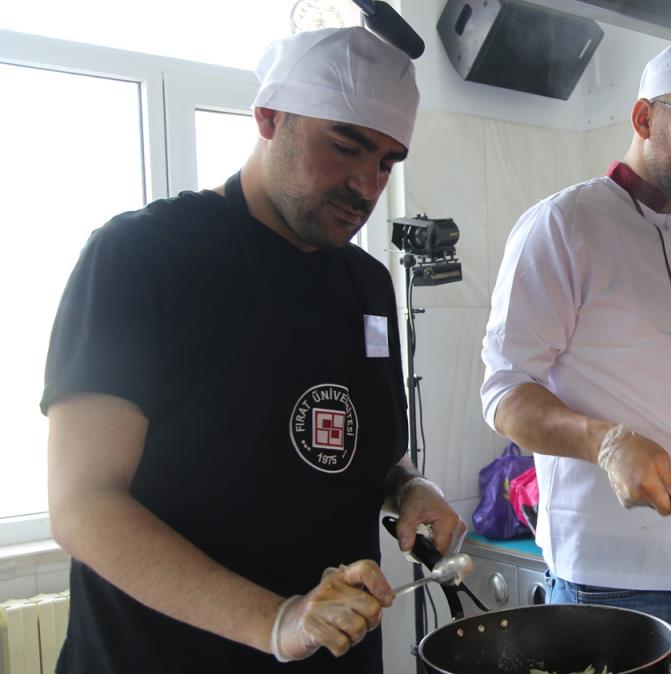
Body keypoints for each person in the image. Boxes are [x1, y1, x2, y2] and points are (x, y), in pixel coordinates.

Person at [41, 27, 465, 673]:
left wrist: (409, 487)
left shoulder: (366, 283)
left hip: (336, 655)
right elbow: (86, 505)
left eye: (386, 162)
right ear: (269, 117)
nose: (365, 184)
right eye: (345, 146)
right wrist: (277, 621)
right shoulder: (141, 258)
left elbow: (354, 447)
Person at [480, 29, 671, 624]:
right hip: (613, 580)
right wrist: (605, 442)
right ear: (644, 117)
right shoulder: (565, 225)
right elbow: (503, 393)